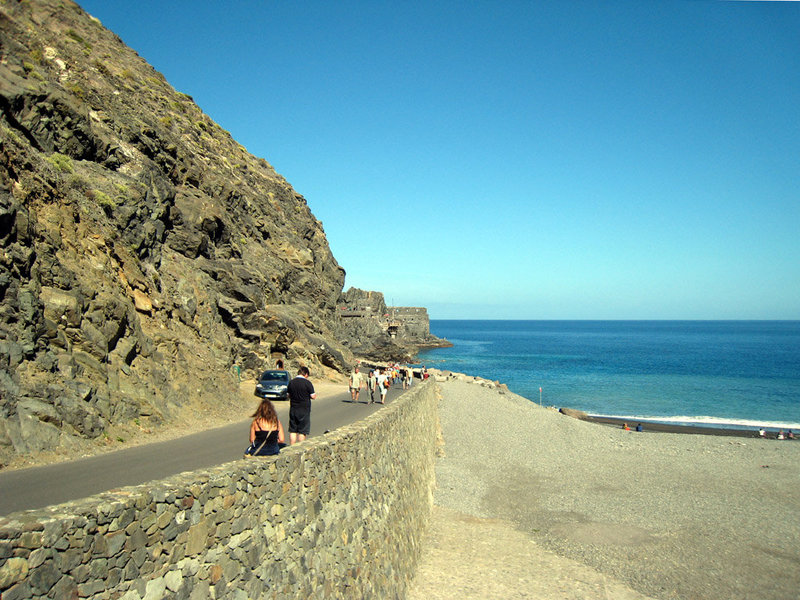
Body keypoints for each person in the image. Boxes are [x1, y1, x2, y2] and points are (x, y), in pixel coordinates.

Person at [287, 366, 316, 445]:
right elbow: (313, 396)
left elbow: (288, 395)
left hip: (293, 408)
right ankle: (300, 447)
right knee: (302, 430)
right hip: (304, 409)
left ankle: (292, 446)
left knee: (293, 430)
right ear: (306, 374)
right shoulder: (307, 383)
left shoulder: (291, 382)